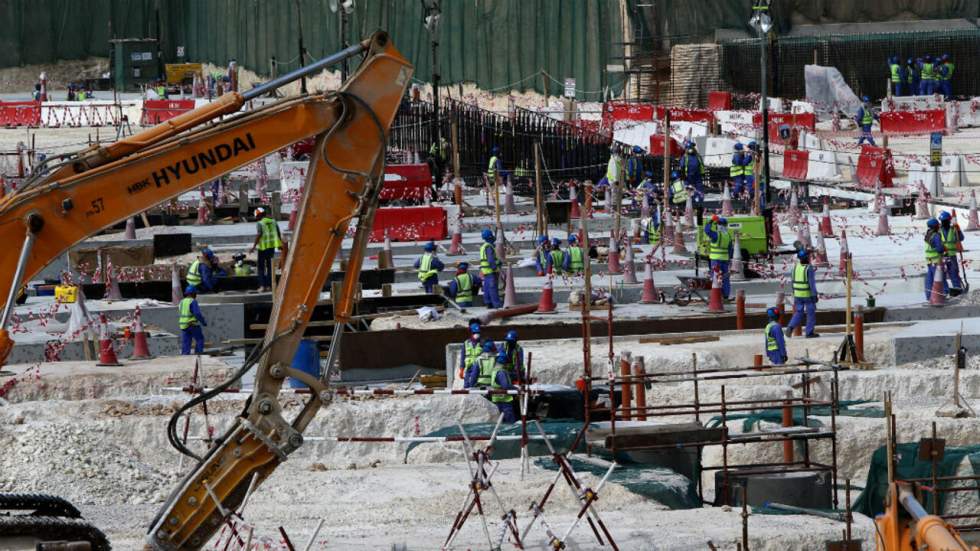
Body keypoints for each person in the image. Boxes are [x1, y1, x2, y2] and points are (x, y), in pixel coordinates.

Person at [786, 249, 819, 338]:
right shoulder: (809, 268)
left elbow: (792, 281)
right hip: (807, 295)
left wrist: (794, 292)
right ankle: (809, 332)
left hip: (797, 294)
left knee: (798, 312)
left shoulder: (795, 267)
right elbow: (811, 283)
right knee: (810, 313)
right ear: (807, 258)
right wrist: (814, 295)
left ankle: (790, 327)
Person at [249, 207, 282, 292]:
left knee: (261, 267)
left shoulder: (260, 223)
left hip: (263, 248)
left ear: (259, 215)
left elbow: (259, 234)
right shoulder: (274, 221)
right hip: (271, 247)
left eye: (256, 216)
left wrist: (253, 246)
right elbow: (278, 233)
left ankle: (262, 286)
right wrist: (279, 245)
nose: (256, 218)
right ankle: (269, 286)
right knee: (270, 266)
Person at [703, 215, 734, 300]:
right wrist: (729, 259)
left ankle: (716, 296)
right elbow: (730, 249)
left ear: (718, 225)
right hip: (725, 260)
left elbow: (707, 231)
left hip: (716, 260)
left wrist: (710, 221)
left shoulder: (717, 235)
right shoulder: (728, 236)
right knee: (725, 278)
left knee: (716, 277)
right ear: (726, 225)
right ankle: (726, 295)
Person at [938, 211, 964, 295]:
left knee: (954, 272)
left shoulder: (954, 229)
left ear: (949, 221)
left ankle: (957, 288)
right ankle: (945, 291)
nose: (944, 223)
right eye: (943, 221)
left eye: (946, 221)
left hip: (952, 255)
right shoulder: (938, 231)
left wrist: (959, 231)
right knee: (942, 274)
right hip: (942, 256)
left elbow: (961, 238)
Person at [489, 348, 519, 423]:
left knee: (500, 421)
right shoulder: (501, 372)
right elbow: (505, 386)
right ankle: (512, 434)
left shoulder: (495, 370)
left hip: (497, 399)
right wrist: (516, 388)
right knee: (509, 421)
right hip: (504, 400)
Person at [178, 286, 207, 355]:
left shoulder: (182, 302)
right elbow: (197, 313)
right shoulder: (192, 301)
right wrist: (203, 322)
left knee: (186, 341)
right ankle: (198, 354)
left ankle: (185, 356)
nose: (196, 295)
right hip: (192, 324)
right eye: (195, 293)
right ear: (193, 293)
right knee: (200, 339)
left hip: (183, 325)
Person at [479, 229, 503, 309]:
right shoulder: (489, 247)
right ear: (490, 237)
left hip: (485, 271)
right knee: (493, 288)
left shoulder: (483, 246)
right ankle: (496, 304)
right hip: (491, 271)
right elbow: (490, 260)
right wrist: (496, 267)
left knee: (487, 288)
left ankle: (488, 303)